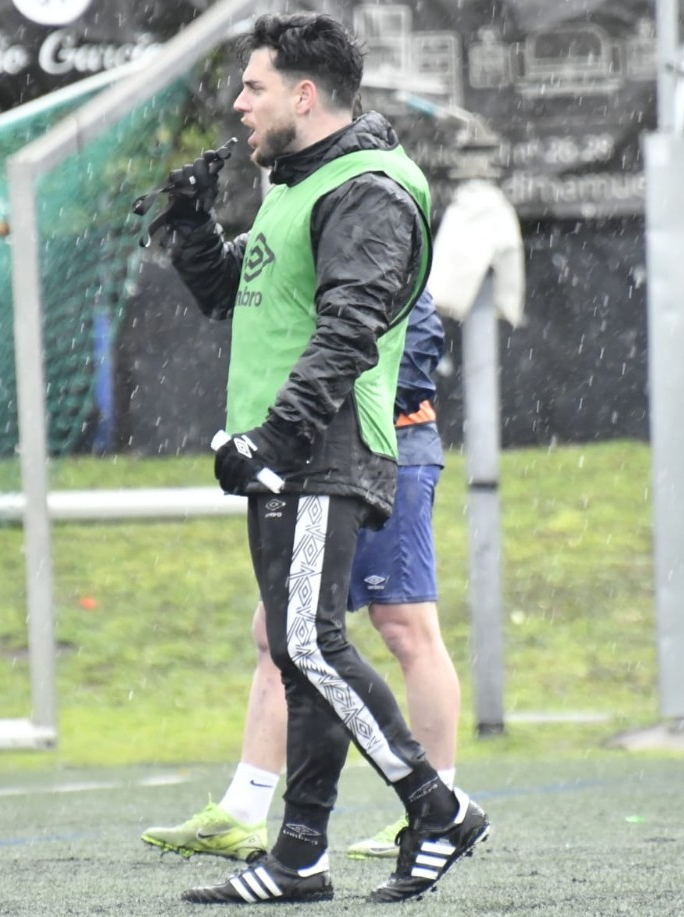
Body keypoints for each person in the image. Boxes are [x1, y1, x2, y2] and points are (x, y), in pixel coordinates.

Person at [151, 12, 489, 905]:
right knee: (300, 654)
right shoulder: (294, 185)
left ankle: (436, 804)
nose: (238, 103)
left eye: (253, 86)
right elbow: (239, 294)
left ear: (305, 95)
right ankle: (299, 857)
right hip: (292, 451)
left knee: (309, 639)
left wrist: (279, 436)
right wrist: (190, 225)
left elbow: (350, 327)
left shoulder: (368, 185)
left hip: (324, 445)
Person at [141, 292, 460, 863]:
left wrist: (363, 404)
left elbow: (414, 331)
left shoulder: (369, 216)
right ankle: (243, 812)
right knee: (279, 630)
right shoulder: (298, 223)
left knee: (405, 627)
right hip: (317, 457)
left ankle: (439, 802)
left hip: (388, 446)